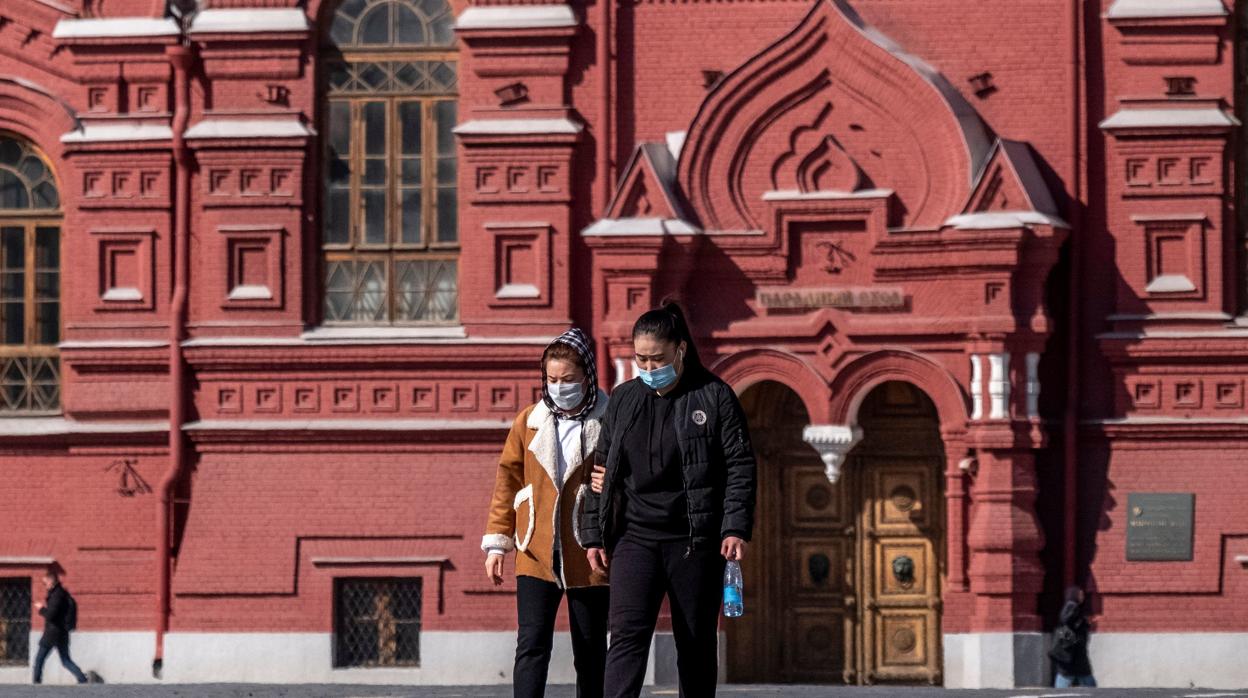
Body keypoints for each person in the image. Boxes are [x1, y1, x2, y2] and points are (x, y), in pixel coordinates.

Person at [579, 301, 757, 698]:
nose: (647, 367)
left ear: (680, 350)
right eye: (640, 358)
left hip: (693, 541)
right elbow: (601, 472)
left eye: (656, 358)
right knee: (626, 638)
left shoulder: (715, 397)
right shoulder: (624, 399)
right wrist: (594, 534)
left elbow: (740, 466)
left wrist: (735, 527)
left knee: (694, 642)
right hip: (634, 538)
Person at [483, 327, 610, 698]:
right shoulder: (528, 421)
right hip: (534, 549)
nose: (559, 386)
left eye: (569, 379)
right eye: (552, 379)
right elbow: (507, 479)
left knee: (590, 652)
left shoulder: (609, 419)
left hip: (588, 554)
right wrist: (497, 545)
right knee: (532, 645)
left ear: (587, 375)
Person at [33, 569, 88, 685]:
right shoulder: (61, 593)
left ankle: (36, 682)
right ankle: (82, 679)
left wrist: (41, 608)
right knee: (65, 660)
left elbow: (51, 615)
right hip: (62, 632)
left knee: (40, 659)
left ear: (51, 581)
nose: (44, 586)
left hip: (53, 632)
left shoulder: (56, 595)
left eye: (45, 583)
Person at [1050, 585, 1096, 687]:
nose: (1082, 596)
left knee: (1068, 673)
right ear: (1074, 595)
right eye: (1080, 594)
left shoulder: (1073, 606)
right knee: (1077, 674)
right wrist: (1084, 622)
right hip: (1073, 649)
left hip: (1072, 650)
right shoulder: (1072, 605)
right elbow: (1066, 620)